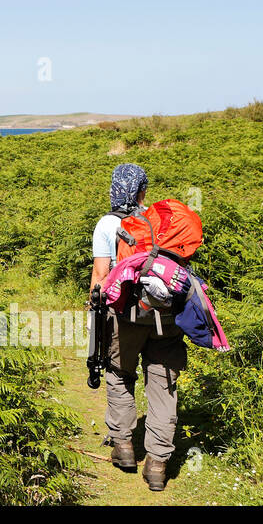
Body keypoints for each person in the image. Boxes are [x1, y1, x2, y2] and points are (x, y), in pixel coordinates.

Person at [89, 163, 187, 492]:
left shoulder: (107, 225)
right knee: (163, 384)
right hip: (167, 316)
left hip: (124, 315)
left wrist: (95, 315)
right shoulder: (162, 222)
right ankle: (158, 464)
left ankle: (125, 448)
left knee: (119, 373)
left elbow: (100, 280)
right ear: (142, 190)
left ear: (114, 190)